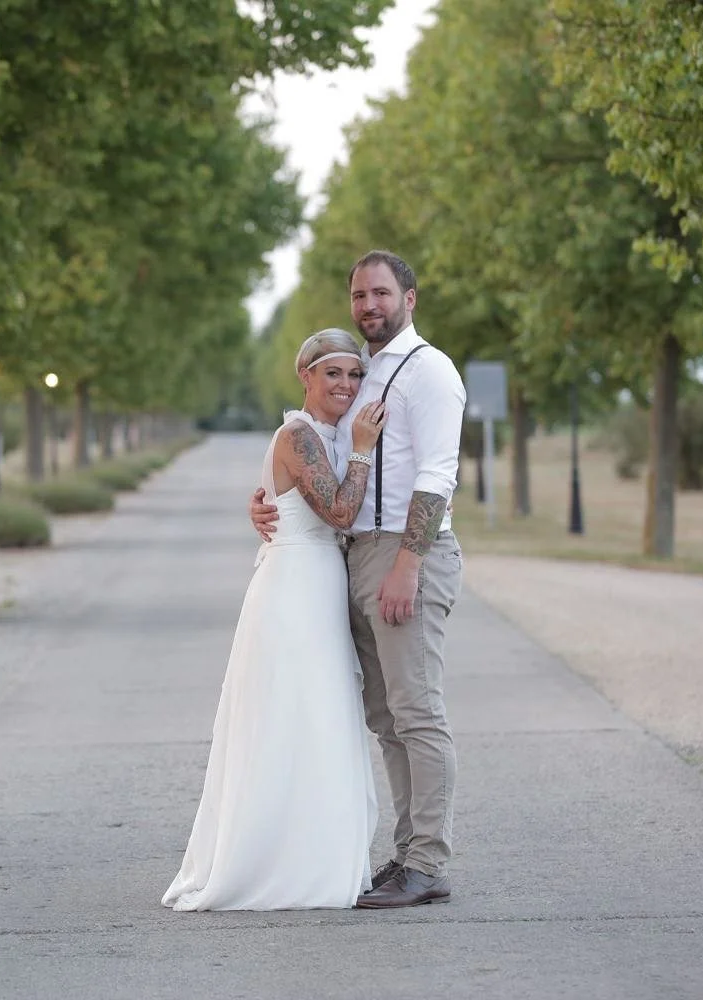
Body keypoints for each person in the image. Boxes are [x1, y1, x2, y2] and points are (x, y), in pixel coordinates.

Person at [250, 249, 466, 909]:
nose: (369, 305)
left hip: (405, 553)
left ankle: (427, 862)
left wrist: (408, 563)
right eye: (359, 296)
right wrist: (267, 498)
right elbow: (325, 459)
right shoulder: (370, 374)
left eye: (380, 293)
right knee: (386, 715)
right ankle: (406, 857)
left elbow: (436, 473)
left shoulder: (430, 372)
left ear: (410, 298)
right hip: (355, 552)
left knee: (417, 710)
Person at [162, 330, 388, 911]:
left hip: (318, 583)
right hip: (294, 590)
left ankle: (321, 852)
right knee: (295, 717)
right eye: (332, 373)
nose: (345, 385)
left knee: (322, 718)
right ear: (306, 377)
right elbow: (339, 509)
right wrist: (364, 445)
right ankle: (280, 863)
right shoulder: (300, 436)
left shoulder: (328, 436)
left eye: (354, 375)